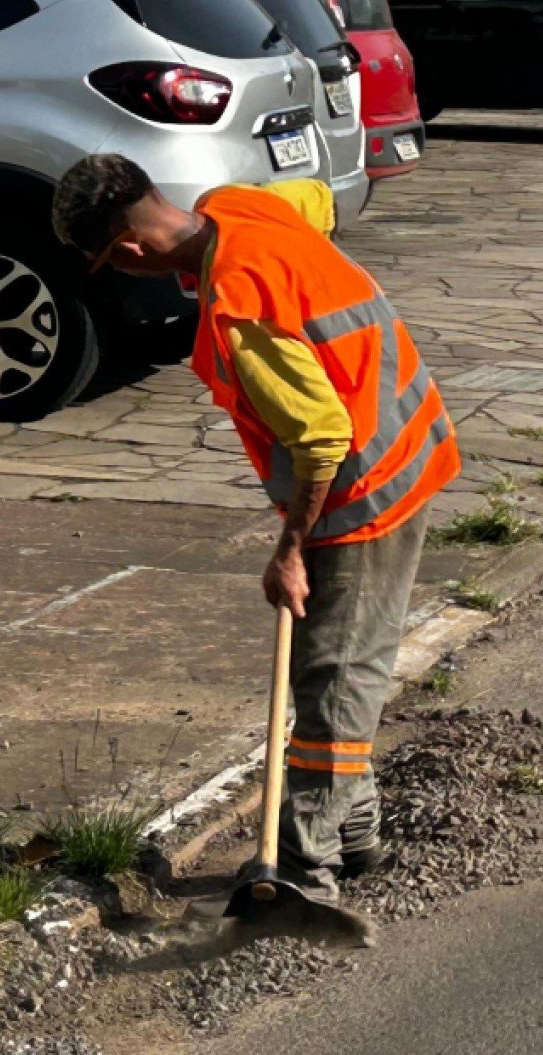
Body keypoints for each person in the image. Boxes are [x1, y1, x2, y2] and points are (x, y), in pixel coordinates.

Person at [51, 155, 460, 900]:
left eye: (109, 261)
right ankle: (358, 831)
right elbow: (317, 198)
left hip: (364, 488)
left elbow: (321, 438)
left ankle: (304, 871)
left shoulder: (241, 309)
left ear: (133, 248)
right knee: (334, 661)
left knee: (335, 674)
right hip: (408, 436)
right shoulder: (243, 206)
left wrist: (290, 551)